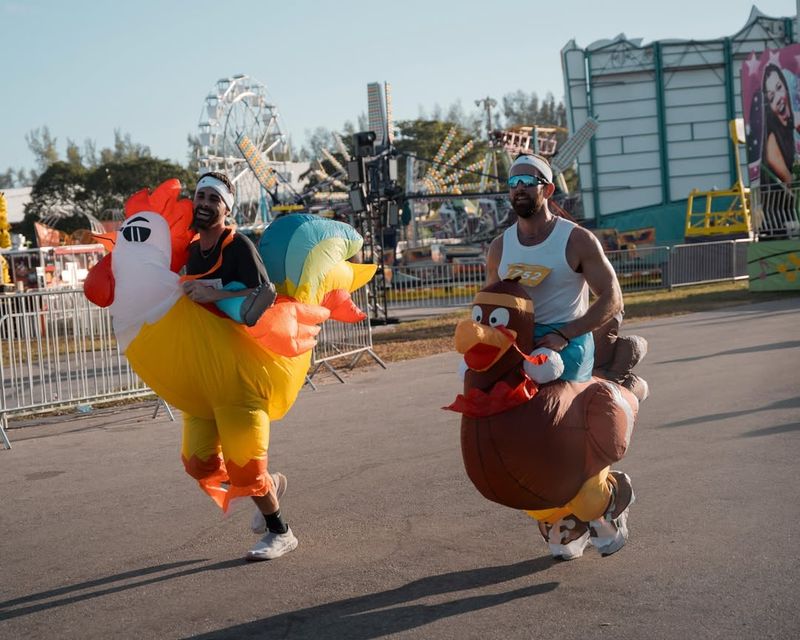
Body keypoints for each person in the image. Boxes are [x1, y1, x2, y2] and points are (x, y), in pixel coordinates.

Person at [181, 171, 296, 561]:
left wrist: (214, 292)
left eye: (213, 198)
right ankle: (268, 483)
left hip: (240, 374)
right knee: (198, 463)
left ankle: (281, 532)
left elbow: (267, 293)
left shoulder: (238, 245)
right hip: (203, 374)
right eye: (200, 196)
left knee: (245, 466)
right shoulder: (192, 251)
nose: (204, 204)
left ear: (226, 209)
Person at [485, 153, 623, 383]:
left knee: (550, 405)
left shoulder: (577, 240)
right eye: (513, 183)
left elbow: (613, 299)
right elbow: (489, 301)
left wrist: (564, 334)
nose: (519, 188)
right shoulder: (499, 246)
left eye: (528, 182)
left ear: (548, 190)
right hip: (516, 341)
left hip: (565, 343)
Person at [760, 63, 798, 233]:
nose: (778, 98)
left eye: (779, 87)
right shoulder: (772, 139)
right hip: (783, 221)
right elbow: (791, 183)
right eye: (771, 96)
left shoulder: (792, 128)